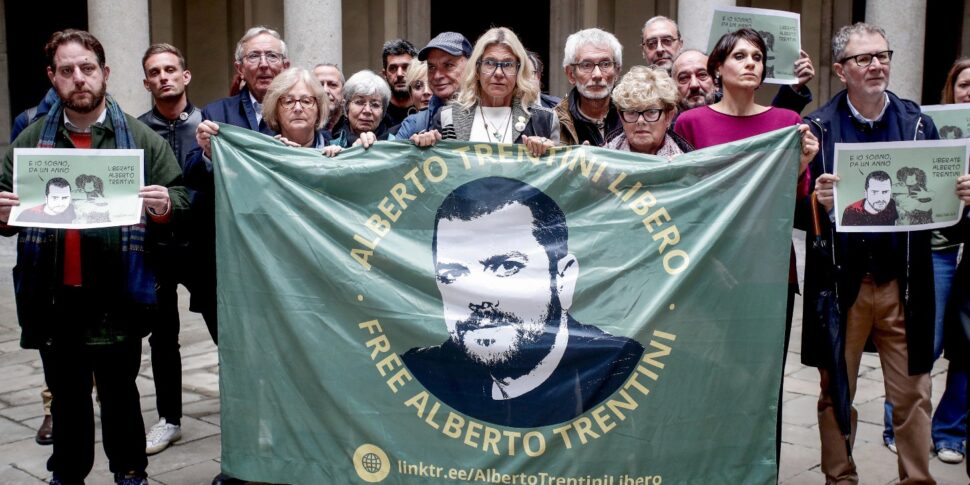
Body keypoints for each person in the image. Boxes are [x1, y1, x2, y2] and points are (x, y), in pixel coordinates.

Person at [0, 29, 188, 485]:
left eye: (87, 68)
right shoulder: (29, 143)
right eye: (67, 71)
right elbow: (7, 206)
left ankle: (130, 471)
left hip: (118, 294)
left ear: (104, 73)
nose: (79, 78)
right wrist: (3, 214)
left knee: (121, 393)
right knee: (66, 399)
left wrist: (165, 204)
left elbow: (181, 197)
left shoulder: (140, 139)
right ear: (53, 78)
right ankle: (68, 473)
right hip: (54, 296)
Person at [673, 27, 818, 472]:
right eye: (739, 56)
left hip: (770, 272)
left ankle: (759, 473)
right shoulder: (690, 124)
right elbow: (683, 200)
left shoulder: (785, 124)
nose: (751, 63)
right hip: (708, 272)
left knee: (763, 384)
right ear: (718, 68)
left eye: (757, 56)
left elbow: (794, 201)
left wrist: (804, 164)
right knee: (704, 378)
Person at [802, 22, 940, 484]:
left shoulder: (919, 124)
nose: (877, 64)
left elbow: (939, 211)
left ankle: (916, 479)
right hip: (843, 287)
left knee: (914, 392)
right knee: (834, 391)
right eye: (864, 58)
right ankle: (840, 478)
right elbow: (792, 211)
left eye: (883, 55)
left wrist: (958, 195)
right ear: (841, 70)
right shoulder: (816, 128)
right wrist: (815, 202)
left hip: (904, 284)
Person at [402, 176, 644, 428]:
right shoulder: (422, 374)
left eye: (507, 267)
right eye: (453, 274)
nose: (479, 297)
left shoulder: (620, 369)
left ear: (563, 280)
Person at [183, 25, 289, 485]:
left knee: (292, 368)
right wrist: (207, 154)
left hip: (290, 269)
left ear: (285, 65)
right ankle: (242, 462)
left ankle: (295, 454)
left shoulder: (299, 109)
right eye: (254, 57)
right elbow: (191, 174)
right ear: (239, 67)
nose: (264, 64)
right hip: (232, 269)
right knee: (241, 372)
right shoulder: (217, 113)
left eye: (272, 56)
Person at [882, 57, 970, 464]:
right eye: (965, 84)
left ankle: (950, 431)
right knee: (922, 341)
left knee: (968, 349)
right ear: (951, 89)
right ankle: (897, 423)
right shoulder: (923, 126)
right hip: (936, 249)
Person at [137, 43, 202, 456]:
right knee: (162, 339)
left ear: (185, 75)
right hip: (154, 246)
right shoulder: (136, 130)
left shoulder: (208, 123)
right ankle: (169, 419)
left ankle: (241, 409)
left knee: (225, 332)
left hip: (202, 246)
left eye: (170, 69)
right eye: (155, 72)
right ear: (146, 82)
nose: (164, 77)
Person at [411, 27, 558, 157]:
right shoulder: (446, 117)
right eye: (489, 63)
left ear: (519, 70)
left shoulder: (544, 120)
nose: (499, 73)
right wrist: (424, 146)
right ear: (477, 69)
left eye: (508, 64)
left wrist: (551, 154)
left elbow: (558, 180)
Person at [652, 16, 816, 115]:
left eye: (702, 75)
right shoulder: (659, 118)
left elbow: (766, 130)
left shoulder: (734, 105)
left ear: (716, 78)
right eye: (684, 78)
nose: (694, 84)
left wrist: (793, 89)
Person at [395, 32, 472, 140]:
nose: (437, 75)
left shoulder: (490, 113)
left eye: (448, 65)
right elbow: (393, 156)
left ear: (471, 66)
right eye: (431, 67)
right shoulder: (416, 124)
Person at [555, 28, 623, 146]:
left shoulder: (635, 115)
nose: (597, 75)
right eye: (586, 65)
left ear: (617, 71)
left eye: (605, 64)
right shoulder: (553, 122)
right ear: (571, 74)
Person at [605, 66, 692, 157]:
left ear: (668, 117)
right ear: (621, 117)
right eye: (631, 112)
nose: (640, 121)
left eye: (651, 112)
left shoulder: (688, 163)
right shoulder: (601, 160)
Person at [264, 67, 331, 148]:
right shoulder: (261, 152)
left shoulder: (337, 151)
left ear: (319, 110)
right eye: (288, 102)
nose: (298, 108)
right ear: (275, 111)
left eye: (306, 101)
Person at [325, 70, 392, 151]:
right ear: (346, 108)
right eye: (359, 102)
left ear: (383, 112)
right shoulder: (330, 144)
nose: (367, 110)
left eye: (375, 105)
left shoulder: (396, 145)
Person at [380, 39, 417, 128]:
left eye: (406, 67)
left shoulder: (427, 106)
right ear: (385, 74)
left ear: (416, 70)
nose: (399, 74)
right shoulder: (378, 110)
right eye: (393, 68)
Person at [313, 62, 347, 133]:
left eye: (333, 85)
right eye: (319, 84)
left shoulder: (352, 129)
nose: (325, 90)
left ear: (343, 93)